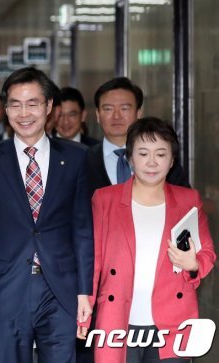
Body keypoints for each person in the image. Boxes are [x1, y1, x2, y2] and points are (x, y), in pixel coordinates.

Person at [0, 67, 94, 363]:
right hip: (4, 288)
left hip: (60, 289)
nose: (24, 113)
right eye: (15, 104)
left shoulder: (75, 158)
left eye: (33, 103)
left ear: (49, 106)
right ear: (5, 109)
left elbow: (82, 229)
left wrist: (84, 291)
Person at [88, 117, 216, 362]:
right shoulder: (105, 199)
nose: (151, 162)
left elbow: (207, 253)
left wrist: (193, 264)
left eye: (161, 154)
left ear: (172, 161)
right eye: (143, 153)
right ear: (130, 158)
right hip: (117, 320)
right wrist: (84, 313)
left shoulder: (189, 200)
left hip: (172, 323)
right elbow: (94, 260)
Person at [87, 77, 188, 193]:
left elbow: (183, 199)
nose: (116, 116)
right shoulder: (83, 160)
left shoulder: (161, 156)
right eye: (108, 109)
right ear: (98, 115)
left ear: (139, 113)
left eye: (124, 108)